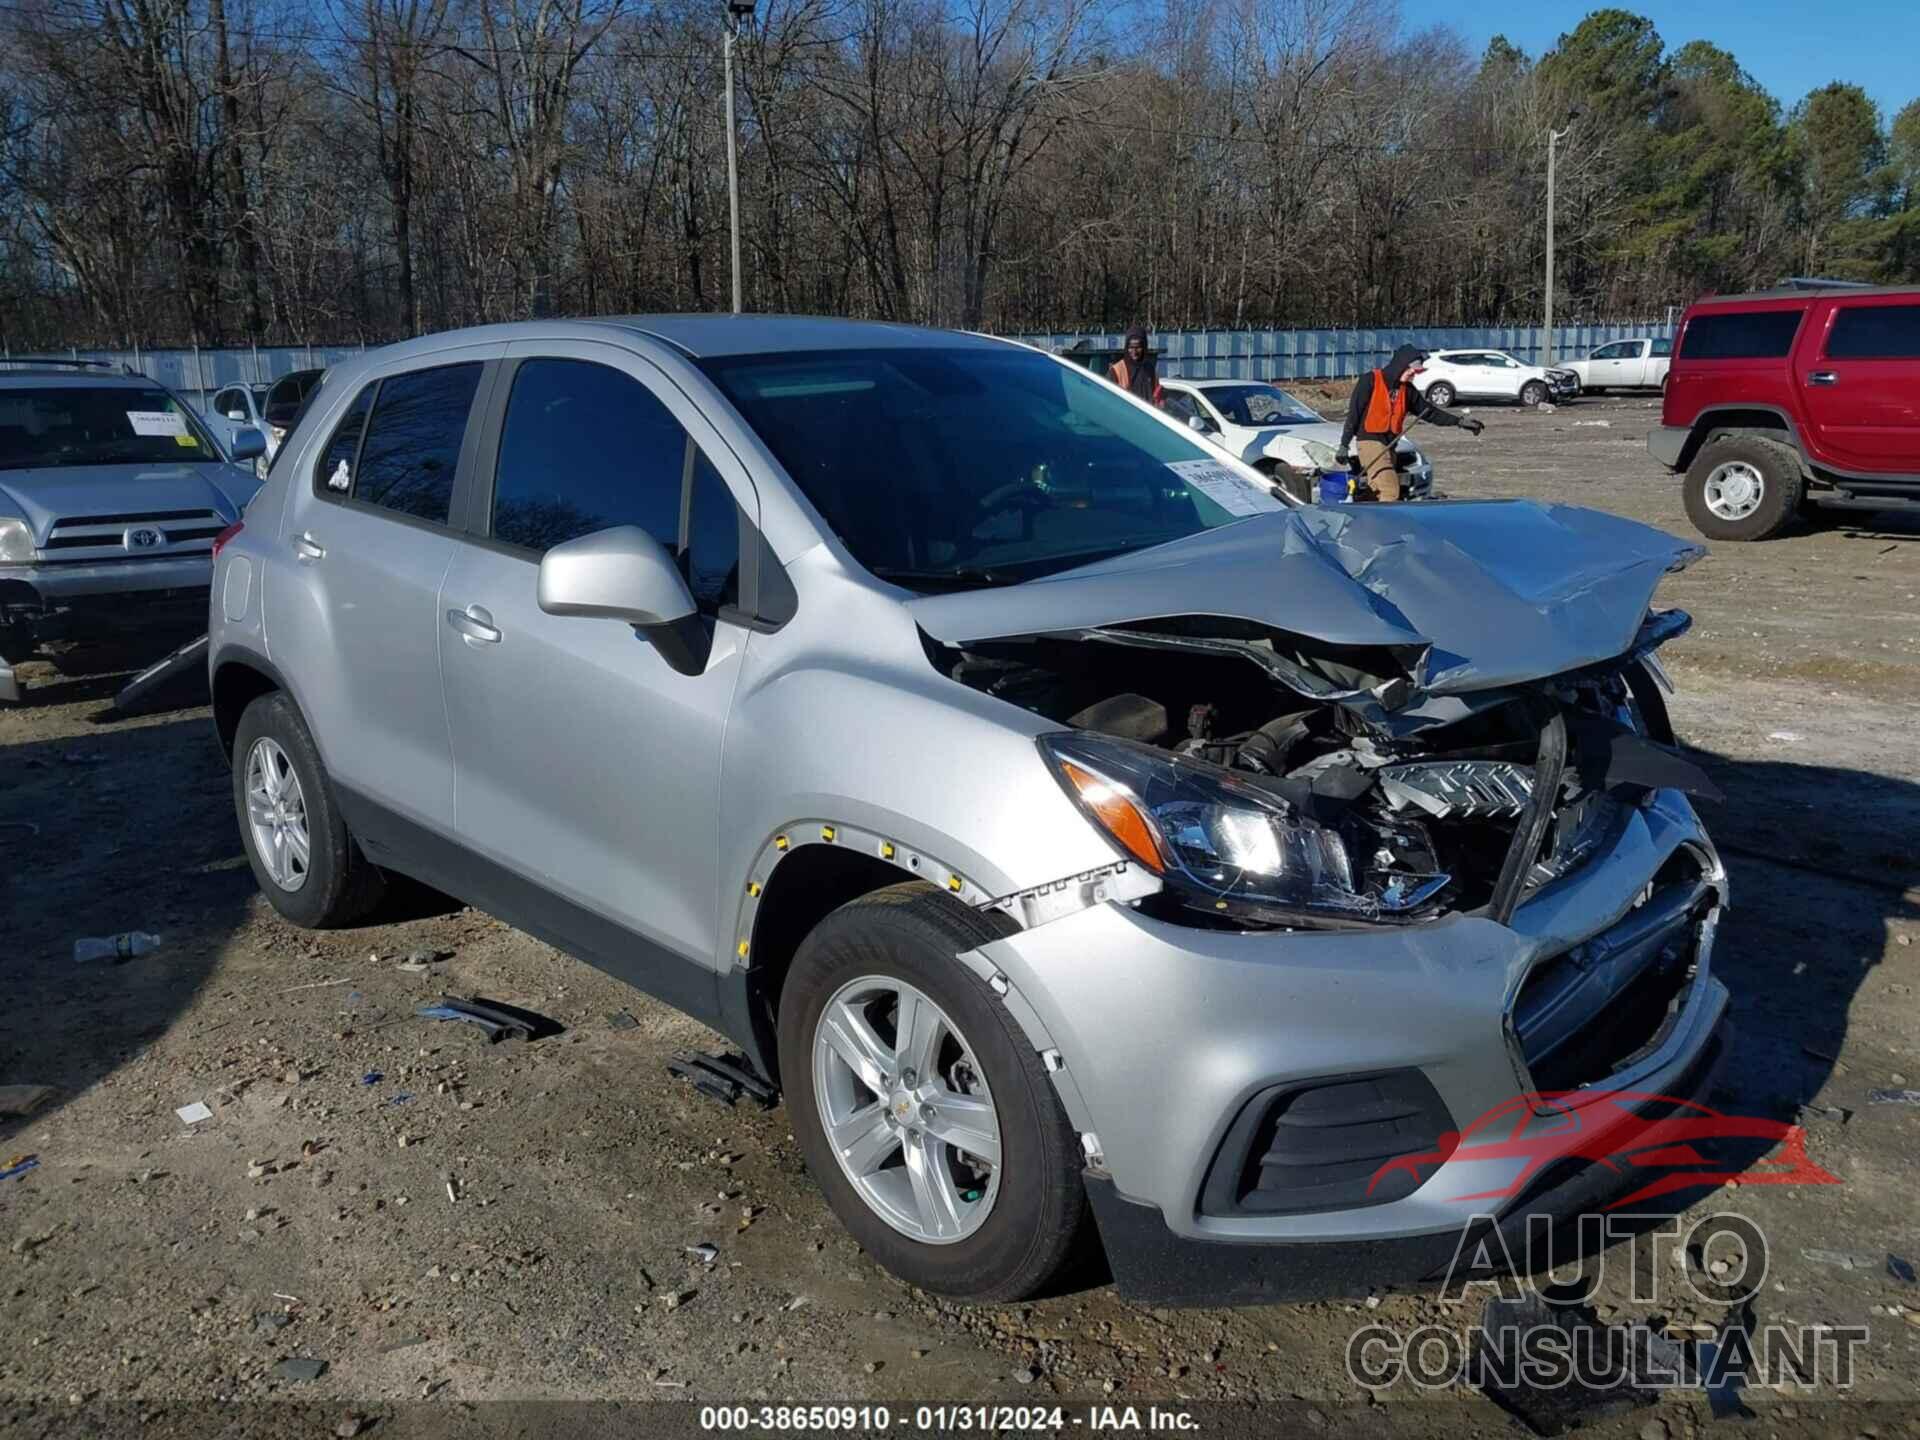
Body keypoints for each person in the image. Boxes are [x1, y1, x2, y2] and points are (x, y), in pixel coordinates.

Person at [1337, 345, 1483, 501]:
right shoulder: (1370, 380)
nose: (1413, 373)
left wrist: (1460, 421)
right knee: (1389, 489)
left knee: (1376, 491)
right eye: (1411, 369)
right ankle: (1387, 525)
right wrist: (1344, 445)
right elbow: (1354, 414)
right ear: (1400, 365)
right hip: (1370, 442)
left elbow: (1429, 412)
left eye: (1416, 371)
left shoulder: (1407, 390)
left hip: (1390, 445)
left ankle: (1360, 516)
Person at [1108, 326, 1164, 406]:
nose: (1134, 351)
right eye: (1131, 347)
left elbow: (1157, 397)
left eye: (1138, 347)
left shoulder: (1150, 369)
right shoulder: (1116, 371)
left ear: (1144, 347)